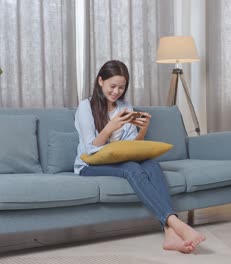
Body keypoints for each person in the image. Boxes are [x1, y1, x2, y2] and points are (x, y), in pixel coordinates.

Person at [74, 60, 206, 253]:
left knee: (152, 164)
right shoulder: (86, 107)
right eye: (112, 86)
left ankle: (169, 234)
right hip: (89, 164)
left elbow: (131, 147)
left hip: (118, 159)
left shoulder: (125, 106)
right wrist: (110, 128)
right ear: (100, 81)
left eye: (121, 87)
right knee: (132, 168)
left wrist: (143, 130)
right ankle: (176, 224)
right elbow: (89, 148)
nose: (116, 91)